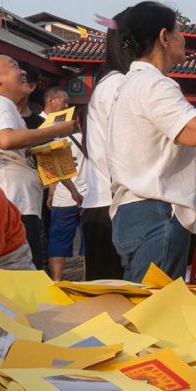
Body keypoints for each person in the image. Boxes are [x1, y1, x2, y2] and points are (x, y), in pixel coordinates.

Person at [108, 2, 196, 282]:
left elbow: (145, 144)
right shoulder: (155, 84)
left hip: (133, 212)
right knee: (156, 305)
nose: (184, 38)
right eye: (179, 31)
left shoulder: (131, 83)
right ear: (164, 37)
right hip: (156, 215)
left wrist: (195, 159)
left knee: (143, 300)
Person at [0, 54, 77, 269]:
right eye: (15, 66)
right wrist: (56, 129)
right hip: (13, 200)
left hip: (16, 199)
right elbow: (6, 139)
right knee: (21, 272)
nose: (23, 72)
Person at [79, 28, 129, 281]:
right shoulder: (117, 85)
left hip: (107, 204)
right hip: (112, 205)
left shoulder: (111, 83)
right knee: (114, 294)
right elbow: (124, 147)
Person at [45, 131, 85, 281]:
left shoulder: (58, 141)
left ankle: (56, 280)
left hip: (62, 199)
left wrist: (51, 193)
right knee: (88, 242)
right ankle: (87, 280)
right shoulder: (92, 138)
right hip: (89, 197)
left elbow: (53, 169)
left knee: (58, 240)